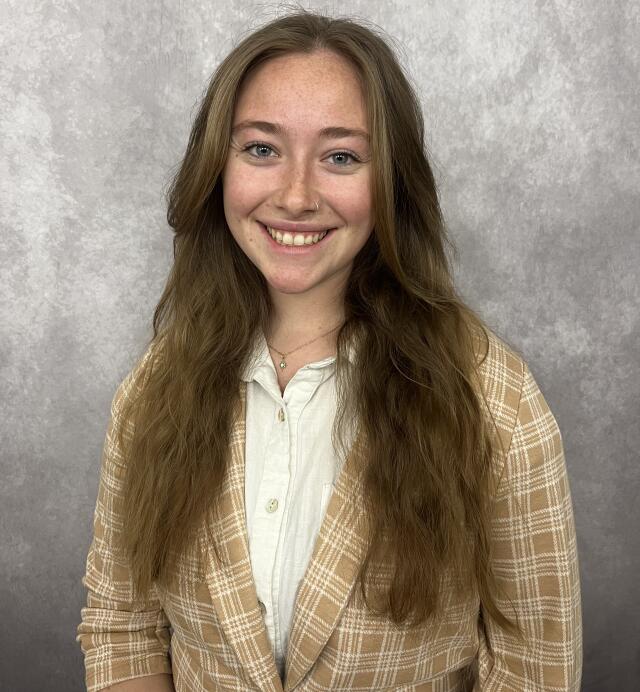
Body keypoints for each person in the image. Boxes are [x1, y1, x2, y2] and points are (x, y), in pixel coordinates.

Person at [76, 10, 582, 692]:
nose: (295, 195)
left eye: (341, 156)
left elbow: (536, 667)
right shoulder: (153, 392)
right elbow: (122, 629)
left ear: (390, 181)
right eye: (261, 149)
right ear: (216, 168)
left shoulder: (493, 399)